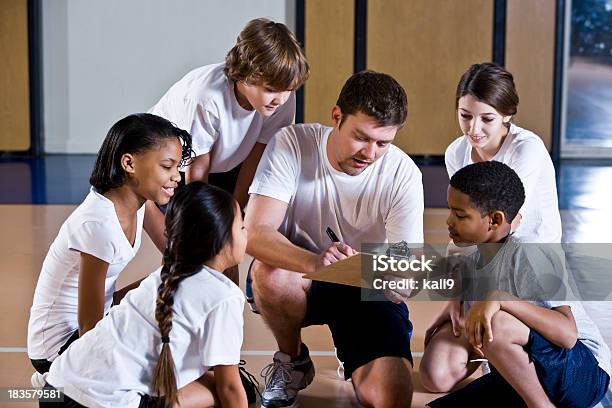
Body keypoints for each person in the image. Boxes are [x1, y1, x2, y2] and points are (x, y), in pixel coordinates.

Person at [245, 70, 424, 408]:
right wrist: (316, 261)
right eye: (361, 137)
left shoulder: (403, 175)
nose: (370, 153)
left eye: (383, 143)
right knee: (270, 275)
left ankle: (361, 351)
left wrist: (399, 278)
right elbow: (254, 234)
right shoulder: (292, 144)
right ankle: (292, 360)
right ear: (337, 117)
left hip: (364, 284)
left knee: (392, 398)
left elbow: (406, 264)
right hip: (301, 276)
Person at [420, 161, 610, 407]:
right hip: (529, 373)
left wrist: (501, 298)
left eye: (460, 215)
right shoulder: (472, 260)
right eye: (450, 211)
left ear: (495, 220)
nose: (449, 221)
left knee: (497, 322)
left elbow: (567, 335)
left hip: (582, 373)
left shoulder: (529, 253)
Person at [41, 182, 248, 408]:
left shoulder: (163, 275)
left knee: (208, 379)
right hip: (100, 403)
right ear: (223, 239)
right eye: (242, 227)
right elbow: (229, 388)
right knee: (226, 389)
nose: (246, 233)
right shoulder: (225, 296)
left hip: (54, 389)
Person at [27, 113, 193, 376]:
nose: (177, 177)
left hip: (98, 318)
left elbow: (178, 257)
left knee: (182, 277)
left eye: (177, 168)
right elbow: (89, 326)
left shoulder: (141, 203)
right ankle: (57, 384)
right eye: (167, 166)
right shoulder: (98, 225)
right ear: (129, 163)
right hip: (60, 347)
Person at [145, 18, 310, 272]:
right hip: (169, 163)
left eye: (287, 90)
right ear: (244, 74)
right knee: (189, 258)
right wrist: (210, 224)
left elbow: (257, 155)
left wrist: (234, 214)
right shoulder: (208, 97)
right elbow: (197, 173)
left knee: (227, 248)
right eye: (270, 89)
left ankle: (222, 306)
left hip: (224, 159)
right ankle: (125, 304)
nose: (280, 99)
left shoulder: (281, 99)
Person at [445, 62, 562, 243]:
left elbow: (510, 221)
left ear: (506, 114)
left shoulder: (526, 148)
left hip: (533, 256)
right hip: (485, 248)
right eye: (465, 116)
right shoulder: (455, 152)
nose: (474, 129)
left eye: (487, 118)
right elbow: (464, 215)